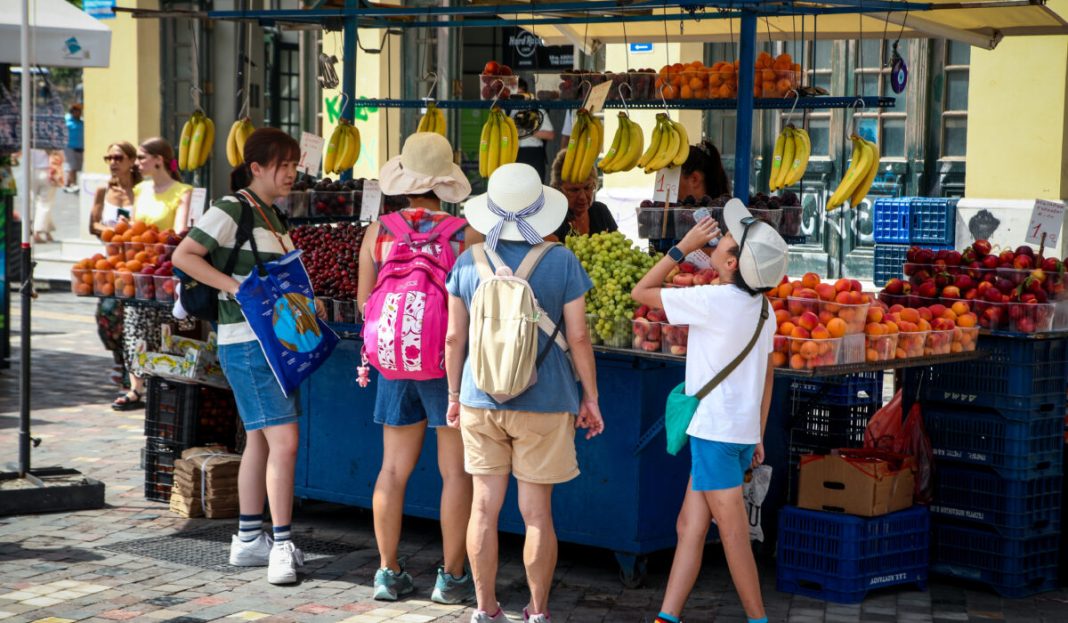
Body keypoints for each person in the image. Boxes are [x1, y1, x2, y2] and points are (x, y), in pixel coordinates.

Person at [444, 163, 605, 623]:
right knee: (536, 514)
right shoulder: (562, 261)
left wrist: (454, 395)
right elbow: (578, 338)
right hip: (546, 399)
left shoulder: (467, 262)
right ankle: (537, 611)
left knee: (483, 508)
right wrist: (590, 397)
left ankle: (484, 608)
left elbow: (454, 339)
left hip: (480, 397)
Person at [630, 199, 789, 623]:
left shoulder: (712, 300)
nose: (716, 242)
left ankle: (758, 619)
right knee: (689, 526)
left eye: (725, 242)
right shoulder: (764, 309)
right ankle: (667, 616)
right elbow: (767, 377)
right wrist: (757, 433)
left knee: (734, 536)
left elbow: (641, 292)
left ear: (732, 263)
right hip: (734, 434)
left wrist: (681, 248)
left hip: (716, 435)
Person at [173, 127, 307, 585]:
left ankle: (250, 539)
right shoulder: (233, 208)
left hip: (273, 344)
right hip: (248, 343)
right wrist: (235, 287)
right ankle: (282, 545)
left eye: (294, 165)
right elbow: (185, 255)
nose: (291, 173)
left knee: (261, 441)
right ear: (256, 168)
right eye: (282, 165)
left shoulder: (273, 216)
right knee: (285, 442)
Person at [356, 132, 479, 603]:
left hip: (395, 361)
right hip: (448, 363)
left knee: (392, 469)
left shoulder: (379, 231)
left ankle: (387, 572)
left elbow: (365, 302)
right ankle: (452, 577)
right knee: (456, 473)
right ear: (445, 182)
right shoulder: (465, 234)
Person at [112, 138, 192, 411]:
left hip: (165, 270)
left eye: (142, 157)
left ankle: (166, 384)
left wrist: (150, 239)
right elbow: (135, 229)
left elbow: (178, 232)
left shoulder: (183, 192)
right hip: (140, 268)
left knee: (165, 328)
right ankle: (136, 387)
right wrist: (126, 228)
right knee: (134, 325)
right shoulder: (141, 189)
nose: (137, 163)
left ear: (159, 160)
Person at [90, 142, 142, 389]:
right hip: (110, 263)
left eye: (118, 158)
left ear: (131, 161)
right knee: (107, 315)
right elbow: (93, 225)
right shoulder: (103, 191)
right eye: (109, 158)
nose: (113, 162)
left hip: (137, 262)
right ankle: (119, 359)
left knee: (132, 317)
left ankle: (130, 369)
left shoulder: (141, 191)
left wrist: (131, 227)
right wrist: (113, 230)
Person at [548, 149, 618, 241]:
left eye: (587, 188)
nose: (583, 197)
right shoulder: (553, 220)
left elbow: (618, 244)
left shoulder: (600, 212)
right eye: (574, 190)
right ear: (559, 190)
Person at [511, 78, 554, 182]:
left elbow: (550, 135)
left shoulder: (537, 109)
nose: (517, 99)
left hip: (533, 153)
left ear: (526, 94)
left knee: (536, 185)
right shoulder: (508, 109)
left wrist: (528, 130)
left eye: (520, 95)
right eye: (514, 95)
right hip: (513, 153)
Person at [30, 149, 61, 243]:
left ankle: (47, 231)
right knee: (45, 204)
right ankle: (37, 231)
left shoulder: (29, 140)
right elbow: (58, 154)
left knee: (37, 203)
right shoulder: (49, 141)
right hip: (48, 170)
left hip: (31, 170)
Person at [64, 103, 85, 192]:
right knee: (72, 166)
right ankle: (74, 184)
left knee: (76, 167)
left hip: (79, 147)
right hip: (69, 147)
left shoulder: (82, 123)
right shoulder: (67, 121)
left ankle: (67, 184)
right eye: (76, 111)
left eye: (79, 111)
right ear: (72, 112)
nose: (78, 113)